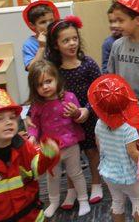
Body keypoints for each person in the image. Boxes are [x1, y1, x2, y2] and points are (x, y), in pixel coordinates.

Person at [45, 16, 103, 206]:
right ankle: (71, 189)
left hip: (88, 115)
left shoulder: (88, 64)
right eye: (66, 40)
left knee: (92, 151)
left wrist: (86, 110)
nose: (72, 44)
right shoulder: (53, 69)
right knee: (71, 155)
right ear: (55, 45)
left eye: (74, 39)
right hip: (63, 120)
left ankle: (96, 183)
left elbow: (99, 91)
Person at [25, 60, 91, 217]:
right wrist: (32, 137)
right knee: (52, 177)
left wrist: (75, 113)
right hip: (50, 149)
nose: (45, 87)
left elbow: (78, 118)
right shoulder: (37, 105)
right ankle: (54, 202)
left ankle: (83, 200)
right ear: (35, 88)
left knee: (76, 173)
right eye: (40, 84)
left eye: (48, 81)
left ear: (56, 79)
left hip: (70, 145)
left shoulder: (69, 97)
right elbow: (34, 125)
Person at [0, 88, 60, 222]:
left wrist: (49, 153)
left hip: (32, 216)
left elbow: (36, 169)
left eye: (12, 118)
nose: (8, 122)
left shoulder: (23, 146)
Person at [88, 74, 139, 222]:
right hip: (128, 175)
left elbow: (99, 146)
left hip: (108, 172)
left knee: (117, 202)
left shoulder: (99, 124)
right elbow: (132, 152)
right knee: (138, 200)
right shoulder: (128, 127)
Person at [21, 0, 59, 70]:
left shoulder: (59, 37)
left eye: (51, 20)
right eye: (43, 22)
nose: (48, 25)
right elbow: (31, 69)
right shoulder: (29, 44)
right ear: (32, 25)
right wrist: (41, 47)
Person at [102, 3, 122, 73]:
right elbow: (105, 68)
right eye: (111, 21)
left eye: (116, 21)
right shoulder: (107, 43)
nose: (113, 25)